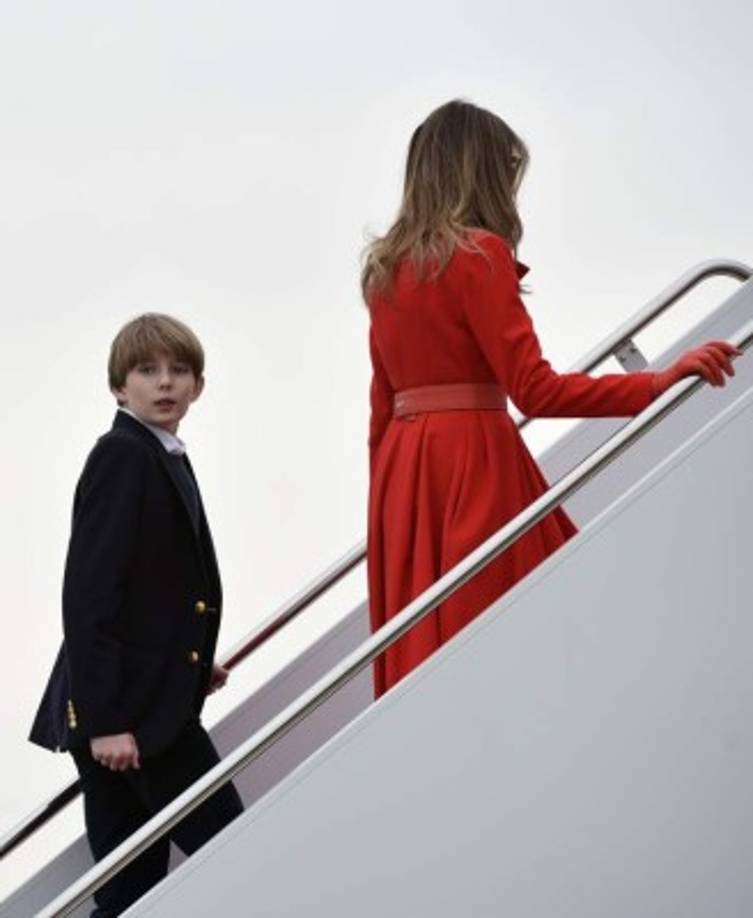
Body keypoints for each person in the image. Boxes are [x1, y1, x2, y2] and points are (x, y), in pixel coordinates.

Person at [363, 99, 740, 698]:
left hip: (403, 474)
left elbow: (380, 412)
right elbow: (535, 390)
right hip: (473, 462)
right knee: (524, 622)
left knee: (438, 646)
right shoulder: (479, 255)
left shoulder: (384, 271)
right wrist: (656, 381)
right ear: (482, 170)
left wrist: (391, 514)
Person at [29, 314, 244, 917]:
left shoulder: (160, 451)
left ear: (198, 386)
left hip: (141, 703)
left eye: (179, 371)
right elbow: (89, 595)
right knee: (234, 846)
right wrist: (105, 722)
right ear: (119, 387)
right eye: (147, 371)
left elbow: (155, 589)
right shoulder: (123, 454)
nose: (165, 382)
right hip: (131, 719)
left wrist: (192, 661)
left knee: (131, 892)